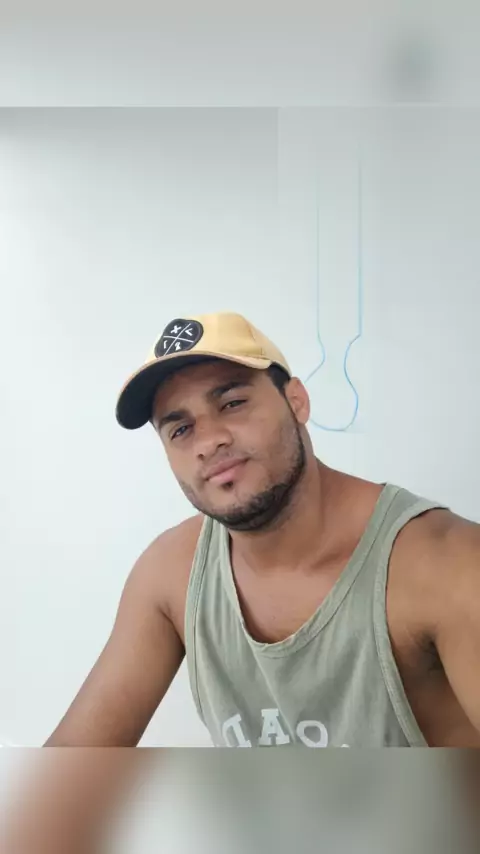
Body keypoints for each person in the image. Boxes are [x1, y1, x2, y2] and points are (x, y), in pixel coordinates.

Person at [45, 311, 480, 749]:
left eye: (232, 403)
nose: (208, 441)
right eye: (181, 429)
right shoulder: (170, 575)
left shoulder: (446, 564)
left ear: (297, 401)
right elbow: (66, 774)